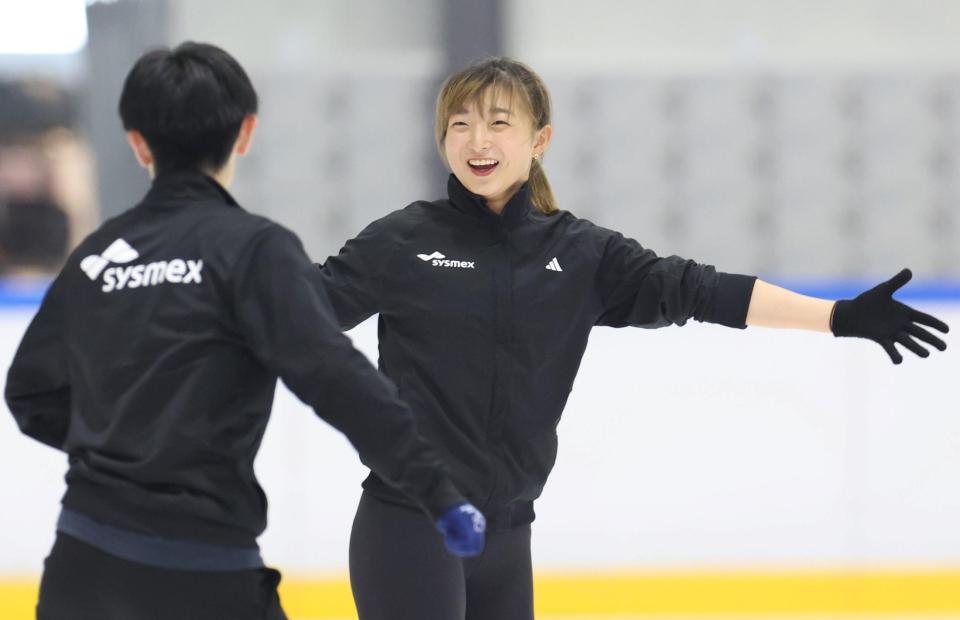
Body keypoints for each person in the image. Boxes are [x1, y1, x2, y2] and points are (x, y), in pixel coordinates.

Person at [316, 57, 950, 620]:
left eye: (498, 123)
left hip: (508, 535)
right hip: (411, 527)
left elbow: (701, 290)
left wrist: (836, 316)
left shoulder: (580, 254)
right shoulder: (401, 242)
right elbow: (302, 309)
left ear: (540, 140)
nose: (477, 141)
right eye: (459, 124)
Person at [5, 42, 485, 620]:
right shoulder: (252, 250)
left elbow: (30, 392)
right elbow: (339, 381)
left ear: (138, 144)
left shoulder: (98, 256)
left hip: (81, 569)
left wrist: (123, 447)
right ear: (246, 132)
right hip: (202, 573)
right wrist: (437, 492)